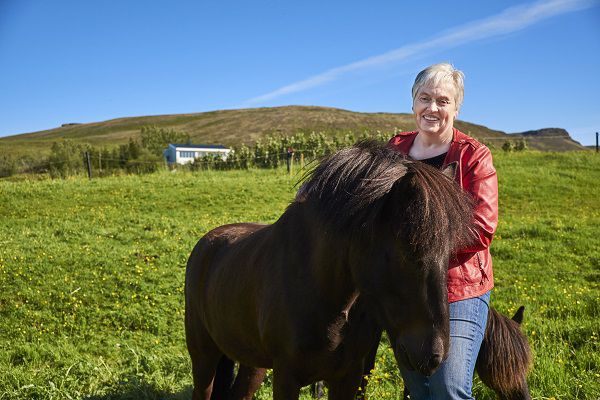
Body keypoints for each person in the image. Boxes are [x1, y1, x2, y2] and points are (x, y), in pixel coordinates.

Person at [388, 63, 498, 399]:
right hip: (405, 291)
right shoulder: (394, 150)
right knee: (418, 388)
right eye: (425, 98)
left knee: (448, 387)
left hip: (458, 287)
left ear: (456, 107)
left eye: (443, 100)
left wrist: (415, 245)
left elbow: (482, 227)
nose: (432, 108)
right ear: (412, 103)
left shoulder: (472, 156)